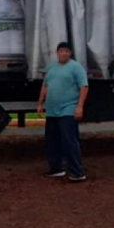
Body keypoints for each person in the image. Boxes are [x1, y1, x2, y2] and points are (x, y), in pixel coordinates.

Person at [37, 42, 90, 182]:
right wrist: (40, 102)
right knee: (52, 141)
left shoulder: (76, 67)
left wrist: (79, 107)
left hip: (68, 108)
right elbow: (45, 86)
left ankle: (77, 172)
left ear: (70, 53)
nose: (63, 53)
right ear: (57, 52)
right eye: (61, 51)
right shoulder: (52, 68)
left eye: (66, 51)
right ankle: (56, 169)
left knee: (69, 140)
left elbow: (83, 87)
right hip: (52, 111)